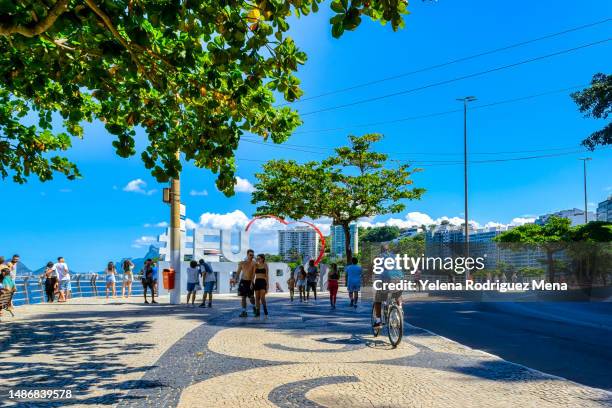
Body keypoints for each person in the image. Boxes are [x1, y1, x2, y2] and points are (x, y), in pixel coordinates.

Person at [372, 244, 403, 329]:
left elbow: (374, 269)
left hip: (385, 279)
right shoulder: (394, 256)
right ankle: (399, 308)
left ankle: (378, 321)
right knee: (398, 294)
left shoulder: (378, 257)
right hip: (398, 278)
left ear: (381, 250)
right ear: (388, 250)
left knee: (377, 299)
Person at [236, 249, 256, 317]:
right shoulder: (242, 263)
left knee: (251, 297)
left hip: (250, 281)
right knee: (243, 297)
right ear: (247, 255)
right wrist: (235, 279)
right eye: (250, 255)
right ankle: (244, 312)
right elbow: (238, 272)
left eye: (253, 255)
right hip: (243, 281)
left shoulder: (254, 263)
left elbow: (253, 274)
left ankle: (254, 307)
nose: (252, 256)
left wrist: (251, 283)